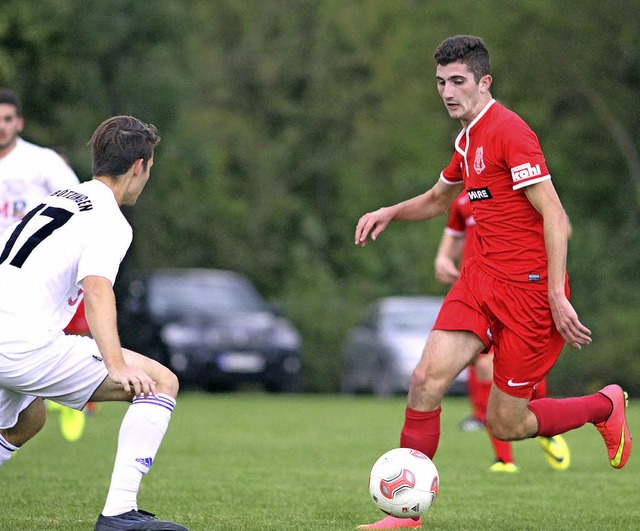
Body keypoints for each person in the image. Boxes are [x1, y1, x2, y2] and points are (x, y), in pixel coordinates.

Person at [355, 35, 630, 530]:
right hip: (480, 281)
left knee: (508, 422)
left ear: (484, 83)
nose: (447, 91)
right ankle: (404, 516)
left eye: (458, 81)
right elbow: (440, 199)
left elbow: (556, 216)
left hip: (528, 295)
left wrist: (554, 294)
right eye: (440, 82)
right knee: (424, 381)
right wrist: (390, 211)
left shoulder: (509, 132)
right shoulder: (466, 138)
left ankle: (602, 405)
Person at [0, 115, 187, 531]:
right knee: (159, 383)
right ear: (139, 166)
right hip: (24, 345)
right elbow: (98, 289)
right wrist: (117, 365)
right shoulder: (109, 218)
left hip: (6, 336)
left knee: (29, 419)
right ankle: (120, 513)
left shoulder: (59, 198)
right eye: (150, 168)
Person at [435, 190, 570, 473]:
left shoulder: (523, 188)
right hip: (476, 293)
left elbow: (562, 226)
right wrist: (443, 260)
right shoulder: (463, 201)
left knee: (523, 373)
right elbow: (452, 238)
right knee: (485, 366)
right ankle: (504, 459)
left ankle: (545, 422)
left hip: (517, 293)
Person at [0, 88, 91, 442]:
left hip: (29, 273)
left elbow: (79, 204)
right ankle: (48, 395)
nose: (2, 127)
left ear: (19, 122)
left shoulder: (42, 162)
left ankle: (64, 395)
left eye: (8, 119)